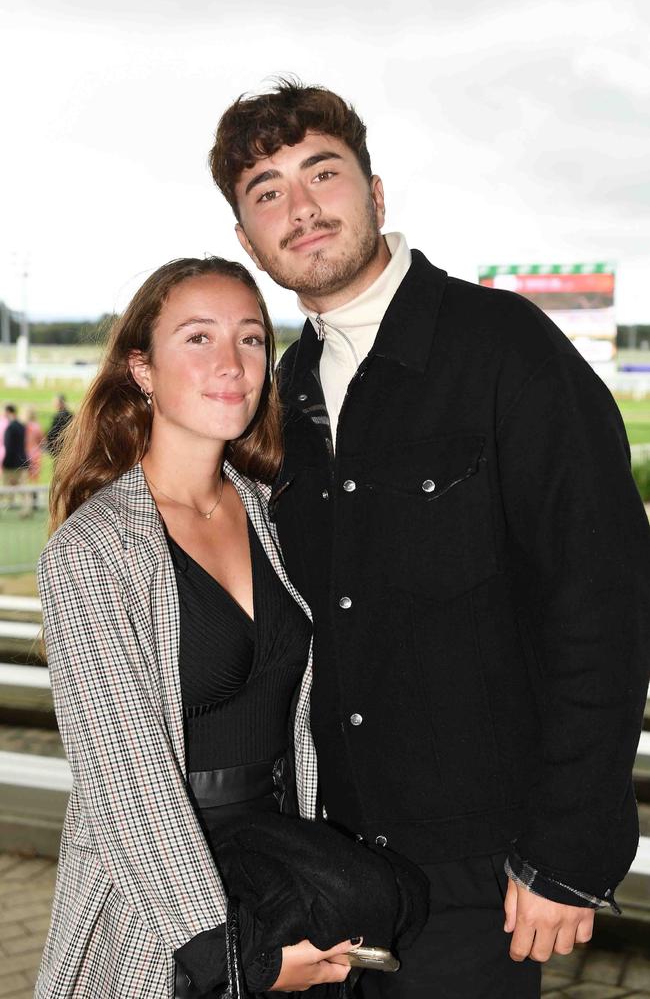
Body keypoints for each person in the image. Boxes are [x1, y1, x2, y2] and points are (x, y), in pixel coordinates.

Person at [209, 80, 650, 998]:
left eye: (321, 172)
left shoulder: (507, 350)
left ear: (376, 193)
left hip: (477, 876)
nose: (301, 207)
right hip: (325, 871)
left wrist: (570, 849)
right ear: (249, 243)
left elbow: (603, 604)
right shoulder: (276, 395)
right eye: (267, 192)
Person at [36, 256, 357, 998]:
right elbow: (125, 779)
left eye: (251, 339)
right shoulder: (93, 550)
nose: (232, 364)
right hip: (165, 913)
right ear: (141, 370)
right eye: (198, 338)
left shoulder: (274, 515)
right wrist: (233, 955)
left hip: (283, 882)